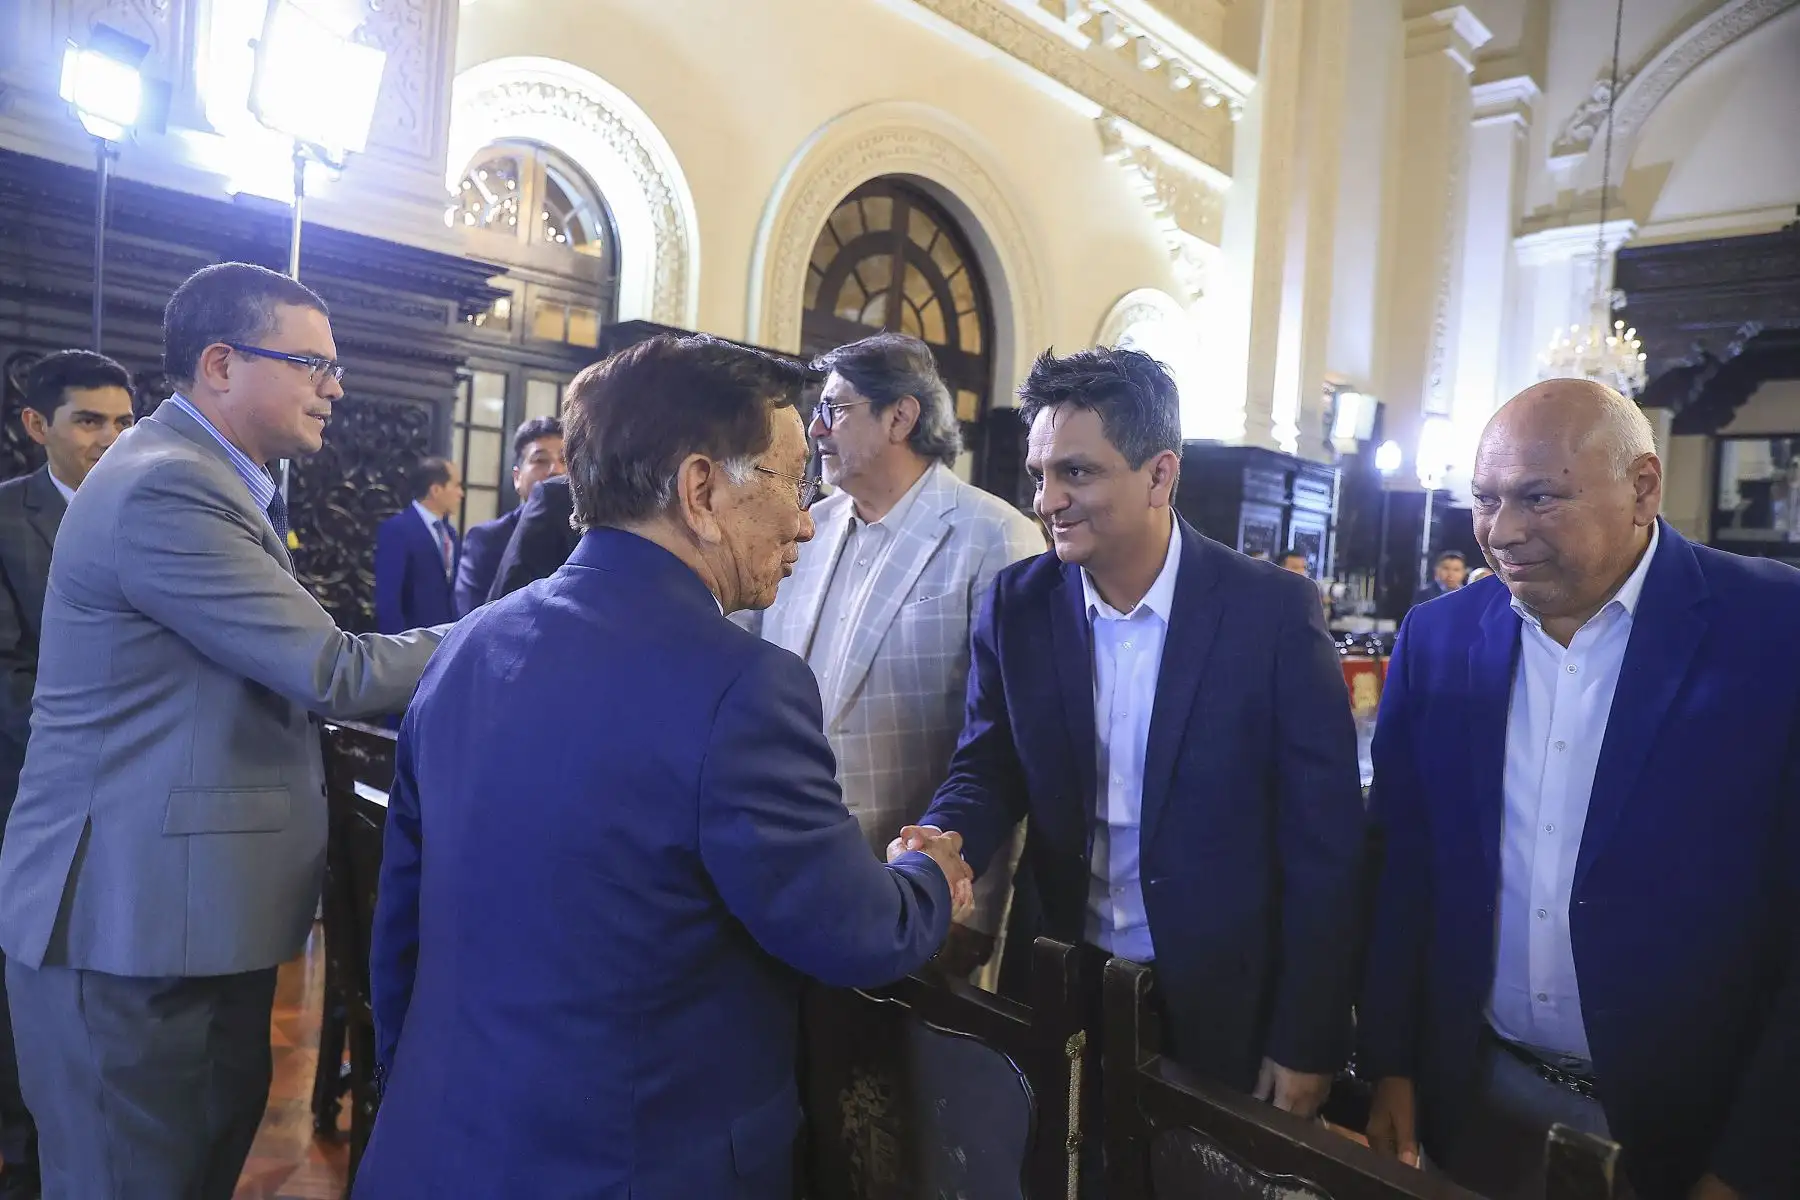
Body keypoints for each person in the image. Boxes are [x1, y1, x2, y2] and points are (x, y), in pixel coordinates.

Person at [358, 334, 971, 1200]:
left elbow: (402, 927)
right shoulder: (741, 687)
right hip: (633, 1163)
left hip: (439, 1144)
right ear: (701, 489)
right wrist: (930, 876)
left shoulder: (471, 643)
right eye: (796, 482)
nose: (807, 517)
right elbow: (853, 931)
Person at [0, 262, 447, 1200]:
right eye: (310, 362)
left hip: (182, 914)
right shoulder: (171, 486)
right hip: (129, 922)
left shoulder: (206, 476)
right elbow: (333, 671)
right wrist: (511, 627)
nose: (335, 384)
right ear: (219, 363)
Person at [1360, 379, 1799, 1200]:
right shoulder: (1441, 636)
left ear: (1643, 487)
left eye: (1538, 497)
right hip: (1477, 1095)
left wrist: (1753, 1159)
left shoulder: (1775, 630)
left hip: (1692, 1128)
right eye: (1485, 499)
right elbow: (1403, 865)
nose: (1502, 531)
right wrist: (1392, 1061)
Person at [908, 347, 1366, 1113]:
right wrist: (945, 837)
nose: (1047, 499)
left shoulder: (1270, 616)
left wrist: (1307, 1038)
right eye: (1039, 475)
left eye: (1076, 473)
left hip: (1223, 1001)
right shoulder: (1015, 605)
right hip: (1058, 976)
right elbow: (988, 768)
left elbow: (1326, 846)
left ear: (1160, 474)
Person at [741, 333, 1042, 980]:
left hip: (912, 896)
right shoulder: (805, 530)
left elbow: (1007, 745)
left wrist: (973, 909)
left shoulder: (995, 536)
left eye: (837, 409)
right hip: (787, 881)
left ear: (901, 417)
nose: (816, 427)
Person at [0, 350, 135, 1196]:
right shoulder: (7, 520)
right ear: (37, 425)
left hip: (136, 802)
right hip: (33, 796)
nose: (112, 439)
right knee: (31, 999)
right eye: (91, 420)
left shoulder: (152, 509)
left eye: (125, 422)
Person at [453, 417, 564, 615]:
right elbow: (469, 620)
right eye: (540, 460)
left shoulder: (593, 537)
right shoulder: (486, 540)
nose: (556, 470)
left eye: (565, 460)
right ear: (517, 478)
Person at [374, 457, 463, 633]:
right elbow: (388, 598)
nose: (461, 493)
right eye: (456, 485)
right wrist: (396, 648)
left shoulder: (450, 534)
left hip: (447, 640)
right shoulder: (397, 530)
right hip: (412, 643)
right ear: (436, 490)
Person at [487, 472, 578, 602]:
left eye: (561, 461)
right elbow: (509, 600)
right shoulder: (556, 497)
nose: (554, 469)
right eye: (540, 460)